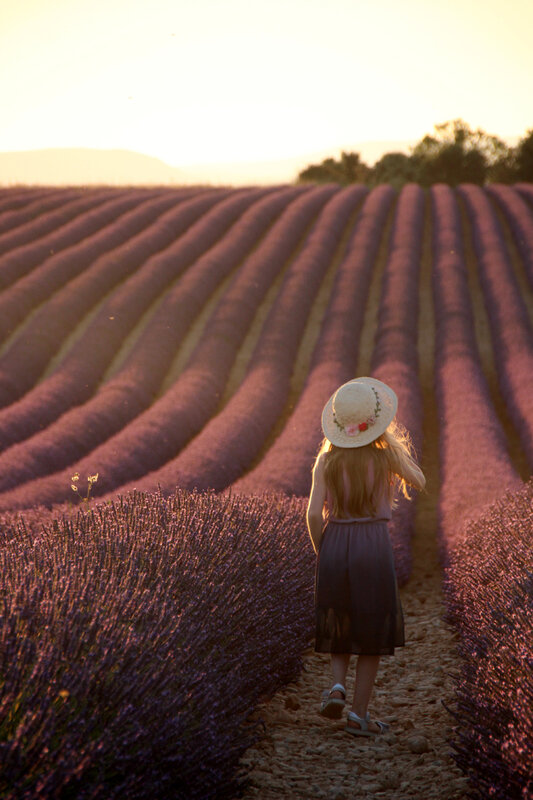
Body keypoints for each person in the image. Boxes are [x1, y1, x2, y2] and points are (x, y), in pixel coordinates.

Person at [307, 377, 425, 737]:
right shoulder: (385, 454)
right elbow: (419, 481)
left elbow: (313, 514)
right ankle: (358, 715)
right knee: (372, 631)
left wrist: (321, 547)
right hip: (372, 545)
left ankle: (337, 686)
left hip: (336, 542)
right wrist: (391, 446)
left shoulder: (325, 461)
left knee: (339, 620)